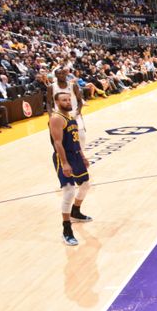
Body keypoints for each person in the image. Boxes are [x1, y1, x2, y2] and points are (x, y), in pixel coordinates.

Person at [49, 92, 92, 246]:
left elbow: (76, 139)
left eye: (68, 99)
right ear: (56, 101)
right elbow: (58, 143)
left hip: (76, 155)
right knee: (69, 191)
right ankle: (67, 230)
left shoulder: (71, 116)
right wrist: (65, 163)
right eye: (64, 100)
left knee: (86, 185)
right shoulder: (56, 118)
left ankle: (76, 211)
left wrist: (82, 156)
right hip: (64, 157)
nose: (67, 102)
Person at [47, 68, 86, 148]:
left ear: (66, 74)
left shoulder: (73, 86)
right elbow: (48, 103)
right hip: (60, 116)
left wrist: (78, 111)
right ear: (56, 75)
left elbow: (80, 101)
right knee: (63, 139)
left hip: (74, 114)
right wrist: (50, 115)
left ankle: (80, 156)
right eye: (59, 74)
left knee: (81, 136)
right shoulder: (51, 87)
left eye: (63, 73)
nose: (61, 75)